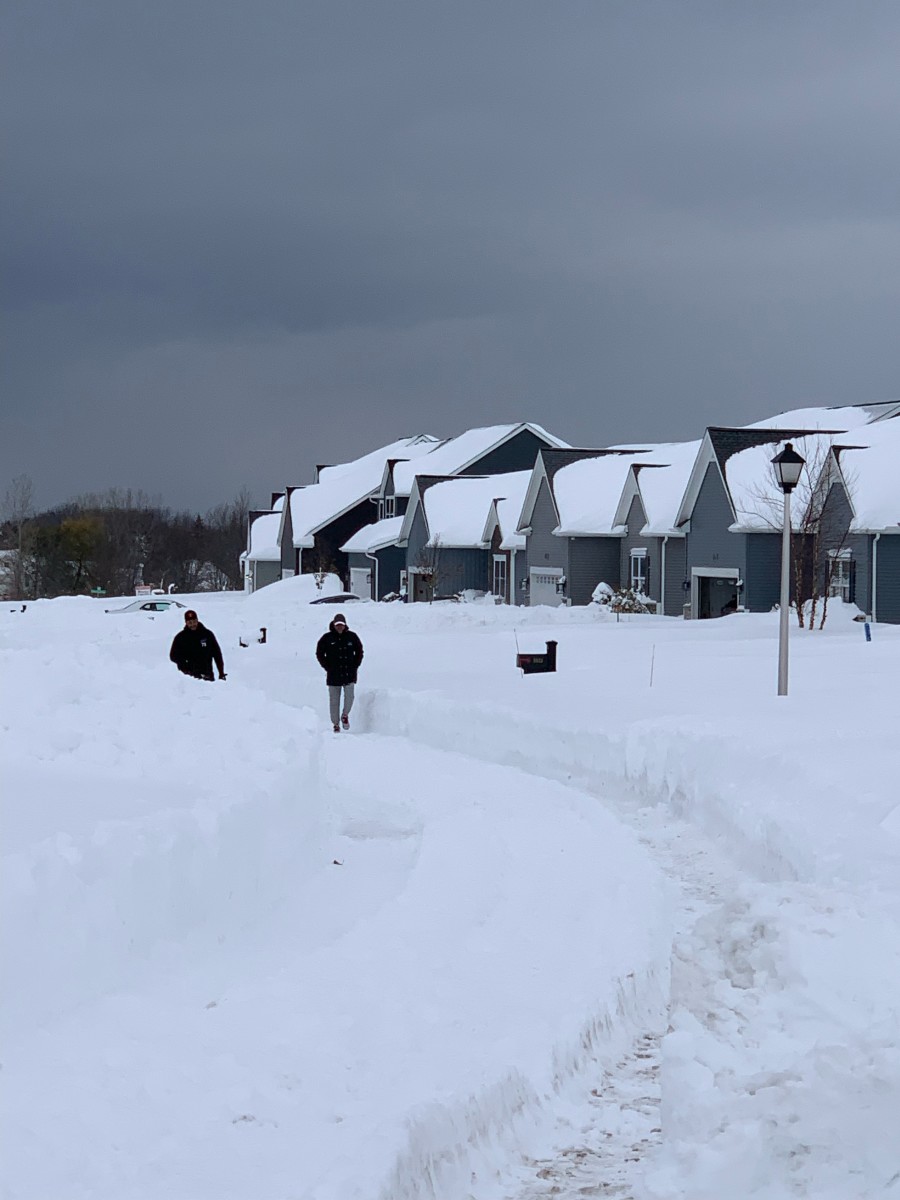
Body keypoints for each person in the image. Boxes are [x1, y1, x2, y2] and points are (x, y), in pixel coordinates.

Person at [315, 612, 363, 732]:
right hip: (333, 675)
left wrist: (355, 665)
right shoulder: (327, 638)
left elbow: (360, 651)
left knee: (350, 697)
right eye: (337, 625)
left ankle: (345, 715)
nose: (339, 627)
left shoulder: (352, 637)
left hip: (349, 674)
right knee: (334, 701)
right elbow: (319, 653)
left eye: (341, 625)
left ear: (345, 625)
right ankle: (335, 724)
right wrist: (327, 666)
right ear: (334, 625)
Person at [169, 610, 226, 682]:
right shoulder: (180, 637)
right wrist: (185, 664)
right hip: (188, 678)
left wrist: (221, 673)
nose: (193, 624)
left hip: (207, 676)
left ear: (197, 620)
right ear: (186, 623)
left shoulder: (207, 634)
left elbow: (217, 654)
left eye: (194, 621)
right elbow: (173, 656)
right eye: (190, 622)